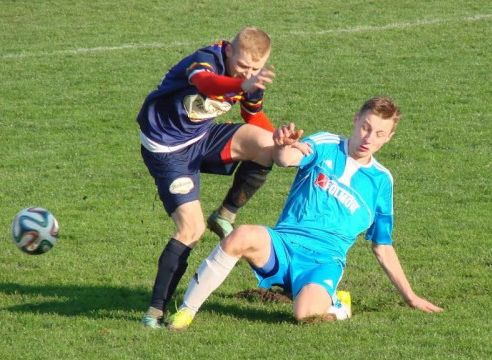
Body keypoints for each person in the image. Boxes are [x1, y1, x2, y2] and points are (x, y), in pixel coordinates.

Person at [166, 96, 444, 331]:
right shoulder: (325, 144)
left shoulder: (382, 182)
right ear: (356, 119)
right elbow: (288, 159)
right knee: (241, 235)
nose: (368, 139)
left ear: (390, 137)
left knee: (305, 316)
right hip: (283, 245)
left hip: (323, 261)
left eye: (379, 134)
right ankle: (186, 312)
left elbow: (382, 245)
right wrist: (285, 146)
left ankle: (338, 305)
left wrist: (410, 297)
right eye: (366, 128)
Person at [137, 27, 280, 328]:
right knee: (191, 229)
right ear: (228, 50)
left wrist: (281, 138)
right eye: (241, 66)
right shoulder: (205, 60)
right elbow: (208, 83)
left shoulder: (253, 79)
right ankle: (154, 312)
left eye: (254, 69)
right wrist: (242, 81)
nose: (247, 73)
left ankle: (225, 214)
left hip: (201, 137)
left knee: (267, 147)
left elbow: (253, 117)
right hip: (167, 150)